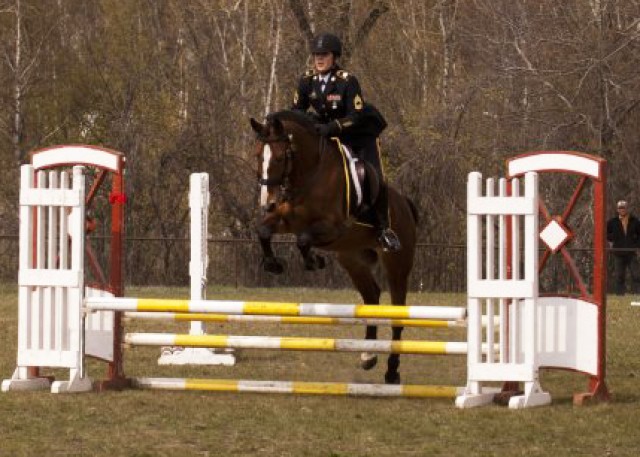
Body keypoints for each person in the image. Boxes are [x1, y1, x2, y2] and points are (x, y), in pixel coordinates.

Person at [291, 32, 401, 252]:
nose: (319, 59)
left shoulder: (347, 81)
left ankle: (383, 229)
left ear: (334, 57)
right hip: (327, 134)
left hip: (359, 134)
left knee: (374, 175)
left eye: (324, 55)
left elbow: (356, 116)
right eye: (316, 55)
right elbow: (296, 111)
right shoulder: (306, 81)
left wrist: (332, 127)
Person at [606, 199, 640, 295]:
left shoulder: (635, 221)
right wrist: (613, 240)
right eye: (620, 208)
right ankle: (620, 295)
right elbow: (606, 233)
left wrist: (636, 245)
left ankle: (637, 294)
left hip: (631, 252)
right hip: (618, 252)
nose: (622, 209)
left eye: (623, 207)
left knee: (636, 274)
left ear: (627, 208)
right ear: (617, 209)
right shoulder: (612, 222)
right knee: (619, 275)